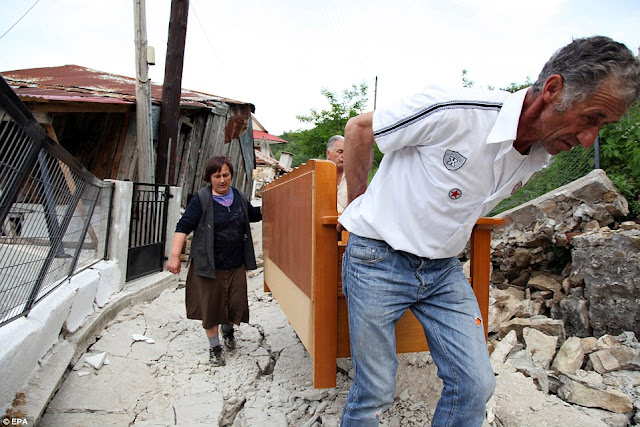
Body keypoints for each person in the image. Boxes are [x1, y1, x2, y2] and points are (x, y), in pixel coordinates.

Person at [337, 36, 640, 426]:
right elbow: (360, 128)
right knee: (375, 391)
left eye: (603, 125)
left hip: (441, 271)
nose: (588, 139)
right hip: (377, 259)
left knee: (476, 384)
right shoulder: (458, 110)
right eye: (591, 117)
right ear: (552, 89)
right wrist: (357, 208)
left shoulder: (541, 153)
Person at [166, 155, 262, 367]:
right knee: (211, 308)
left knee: (234, 303)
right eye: (217, 176)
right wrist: (174, 257)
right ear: (209, 177)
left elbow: (252, 215)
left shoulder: (237, 195)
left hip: (236, 263)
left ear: (231, 175)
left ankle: (227, 330)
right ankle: (214, 347)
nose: (222, 180)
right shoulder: (201, 199)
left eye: (225, 175)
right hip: (209, 265)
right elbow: (183, 226)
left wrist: (271, 204)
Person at [326, 135, 348, 213]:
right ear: (328, 153)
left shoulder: (355, 178)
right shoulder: (315, 176)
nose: (343, 156)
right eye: (340, 152)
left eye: (347, 152)